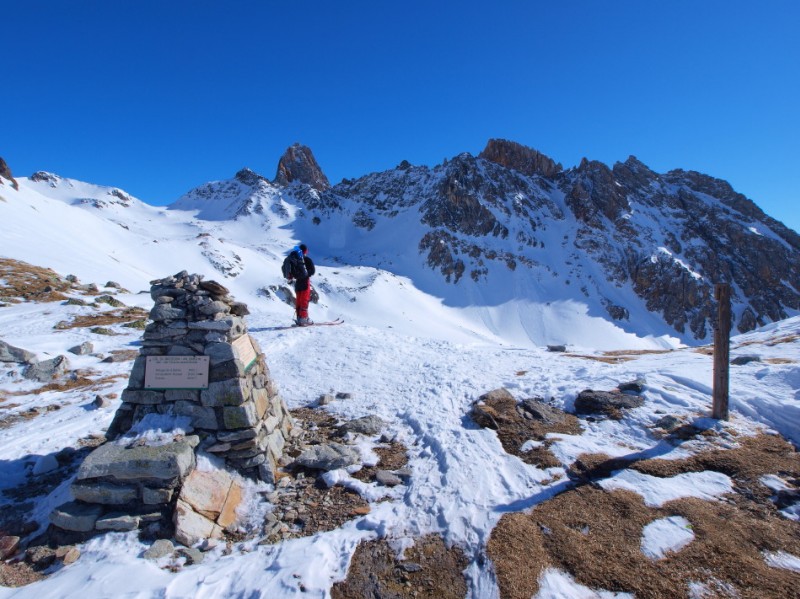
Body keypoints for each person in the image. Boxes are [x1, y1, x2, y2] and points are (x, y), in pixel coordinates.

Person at [284, 243, 316, 325]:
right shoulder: (307, 260)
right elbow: (312, 271)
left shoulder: (294, 260)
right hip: (305, 282)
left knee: (299, 300)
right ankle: (304, 318)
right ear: (306, 251)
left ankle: (299, 318)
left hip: (297, 283)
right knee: (304, 301)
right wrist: (306, 274)